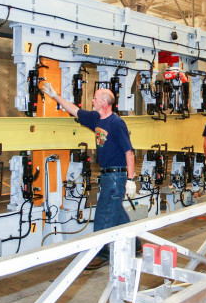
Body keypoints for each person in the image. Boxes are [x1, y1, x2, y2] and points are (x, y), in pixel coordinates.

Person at [41, 82, 136, 270]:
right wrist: (55, 96)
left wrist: (131, 180)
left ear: (105, 102)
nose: (92, 100)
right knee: (116, 214)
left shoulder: (117, 123)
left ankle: (100, 253)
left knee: (103, 213)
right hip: (108, 175)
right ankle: (136, 244)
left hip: (117, 175)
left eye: (95, 97)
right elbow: (75, 111)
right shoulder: (96, 119)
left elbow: (129, 152)